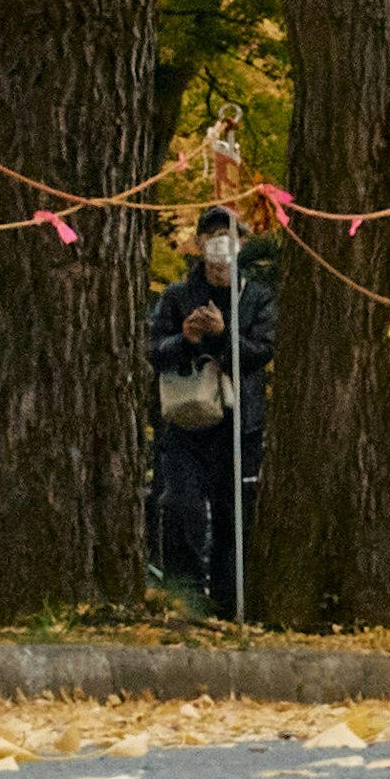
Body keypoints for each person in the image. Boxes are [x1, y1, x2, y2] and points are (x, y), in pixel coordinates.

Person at [151, 211, 272, 614]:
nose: (221, 248)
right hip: (186, 422)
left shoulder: (256, 297)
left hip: (240, 424)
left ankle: (227, 605)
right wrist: (185, 338)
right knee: (181, 505)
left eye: (230, 238)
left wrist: (223, 335)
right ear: (200, 243)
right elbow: (154, 351)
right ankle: (183, 599)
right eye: (214, 238)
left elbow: (260, 353)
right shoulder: (175, 297)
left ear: (241, 244)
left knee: (231, 517)